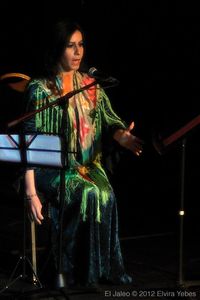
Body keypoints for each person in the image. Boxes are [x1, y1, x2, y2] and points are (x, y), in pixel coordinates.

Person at [23, 18, 143, 289]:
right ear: (57, 49)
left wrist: (122, 136)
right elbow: (28, 144)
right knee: (86, 193)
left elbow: (110, 120)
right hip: (50, 170)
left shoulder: (91, 85)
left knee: (106, 194)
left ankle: (100, 271)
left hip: (87, 166)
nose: (78, 52)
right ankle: (69, 271)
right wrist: (31, 192)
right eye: (70, 46)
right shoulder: (39, 89)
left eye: (81, 45)